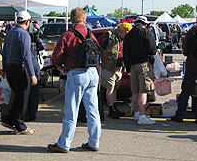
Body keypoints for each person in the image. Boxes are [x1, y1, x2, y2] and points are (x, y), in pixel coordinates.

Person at [47, 8, 101, 153]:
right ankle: (94, 142)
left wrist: (61, 67)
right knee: (92, 110)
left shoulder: (68, 35)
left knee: (71, 110)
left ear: (71, 20)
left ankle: (64, 143)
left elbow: (56, 57)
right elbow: (98, 56)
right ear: (84, 20)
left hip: (76, 74)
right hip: (92, 73)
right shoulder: (91, 34)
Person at [1, 11, 36, 135]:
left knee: (17, 95)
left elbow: (4, 52)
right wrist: (32, 74)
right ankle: (20, 124)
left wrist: (4, 69)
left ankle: (10, 119)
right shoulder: (24, 35)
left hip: (10, 67)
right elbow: (26, 56)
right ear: (28, 22)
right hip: (19, 68)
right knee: (22, 97)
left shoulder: (11, 32)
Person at [123, 16, 157, 125]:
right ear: (145, 24)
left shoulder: (129, 35)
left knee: (135, 91)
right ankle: (142, 116)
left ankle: (137, 113)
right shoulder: (146, 33)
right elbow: (152, 49)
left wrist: (128, 67)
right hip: (144, 65)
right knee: (143, 91)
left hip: (132, 65)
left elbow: (125, 53)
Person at [99, 22, 132, 119]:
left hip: (119, 68)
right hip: (108, 67)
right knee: (110, 88)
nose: (127, 36)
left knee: (114, 89)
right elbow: (97, 47)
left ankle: (114, 107)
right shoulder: (108, 36)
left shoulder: (123, 39)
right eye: (126, 34)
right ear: (121, 32)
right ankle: (111, 110)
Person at [22, 29, 45, 122]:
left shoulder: (20, 37)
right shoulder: (34, 37)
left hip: (25, 64)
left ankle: (25, 114)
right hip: (34, 63)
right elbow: (43, 47)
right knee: (34, 91)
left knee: (25, 90)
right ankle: (32, 114)